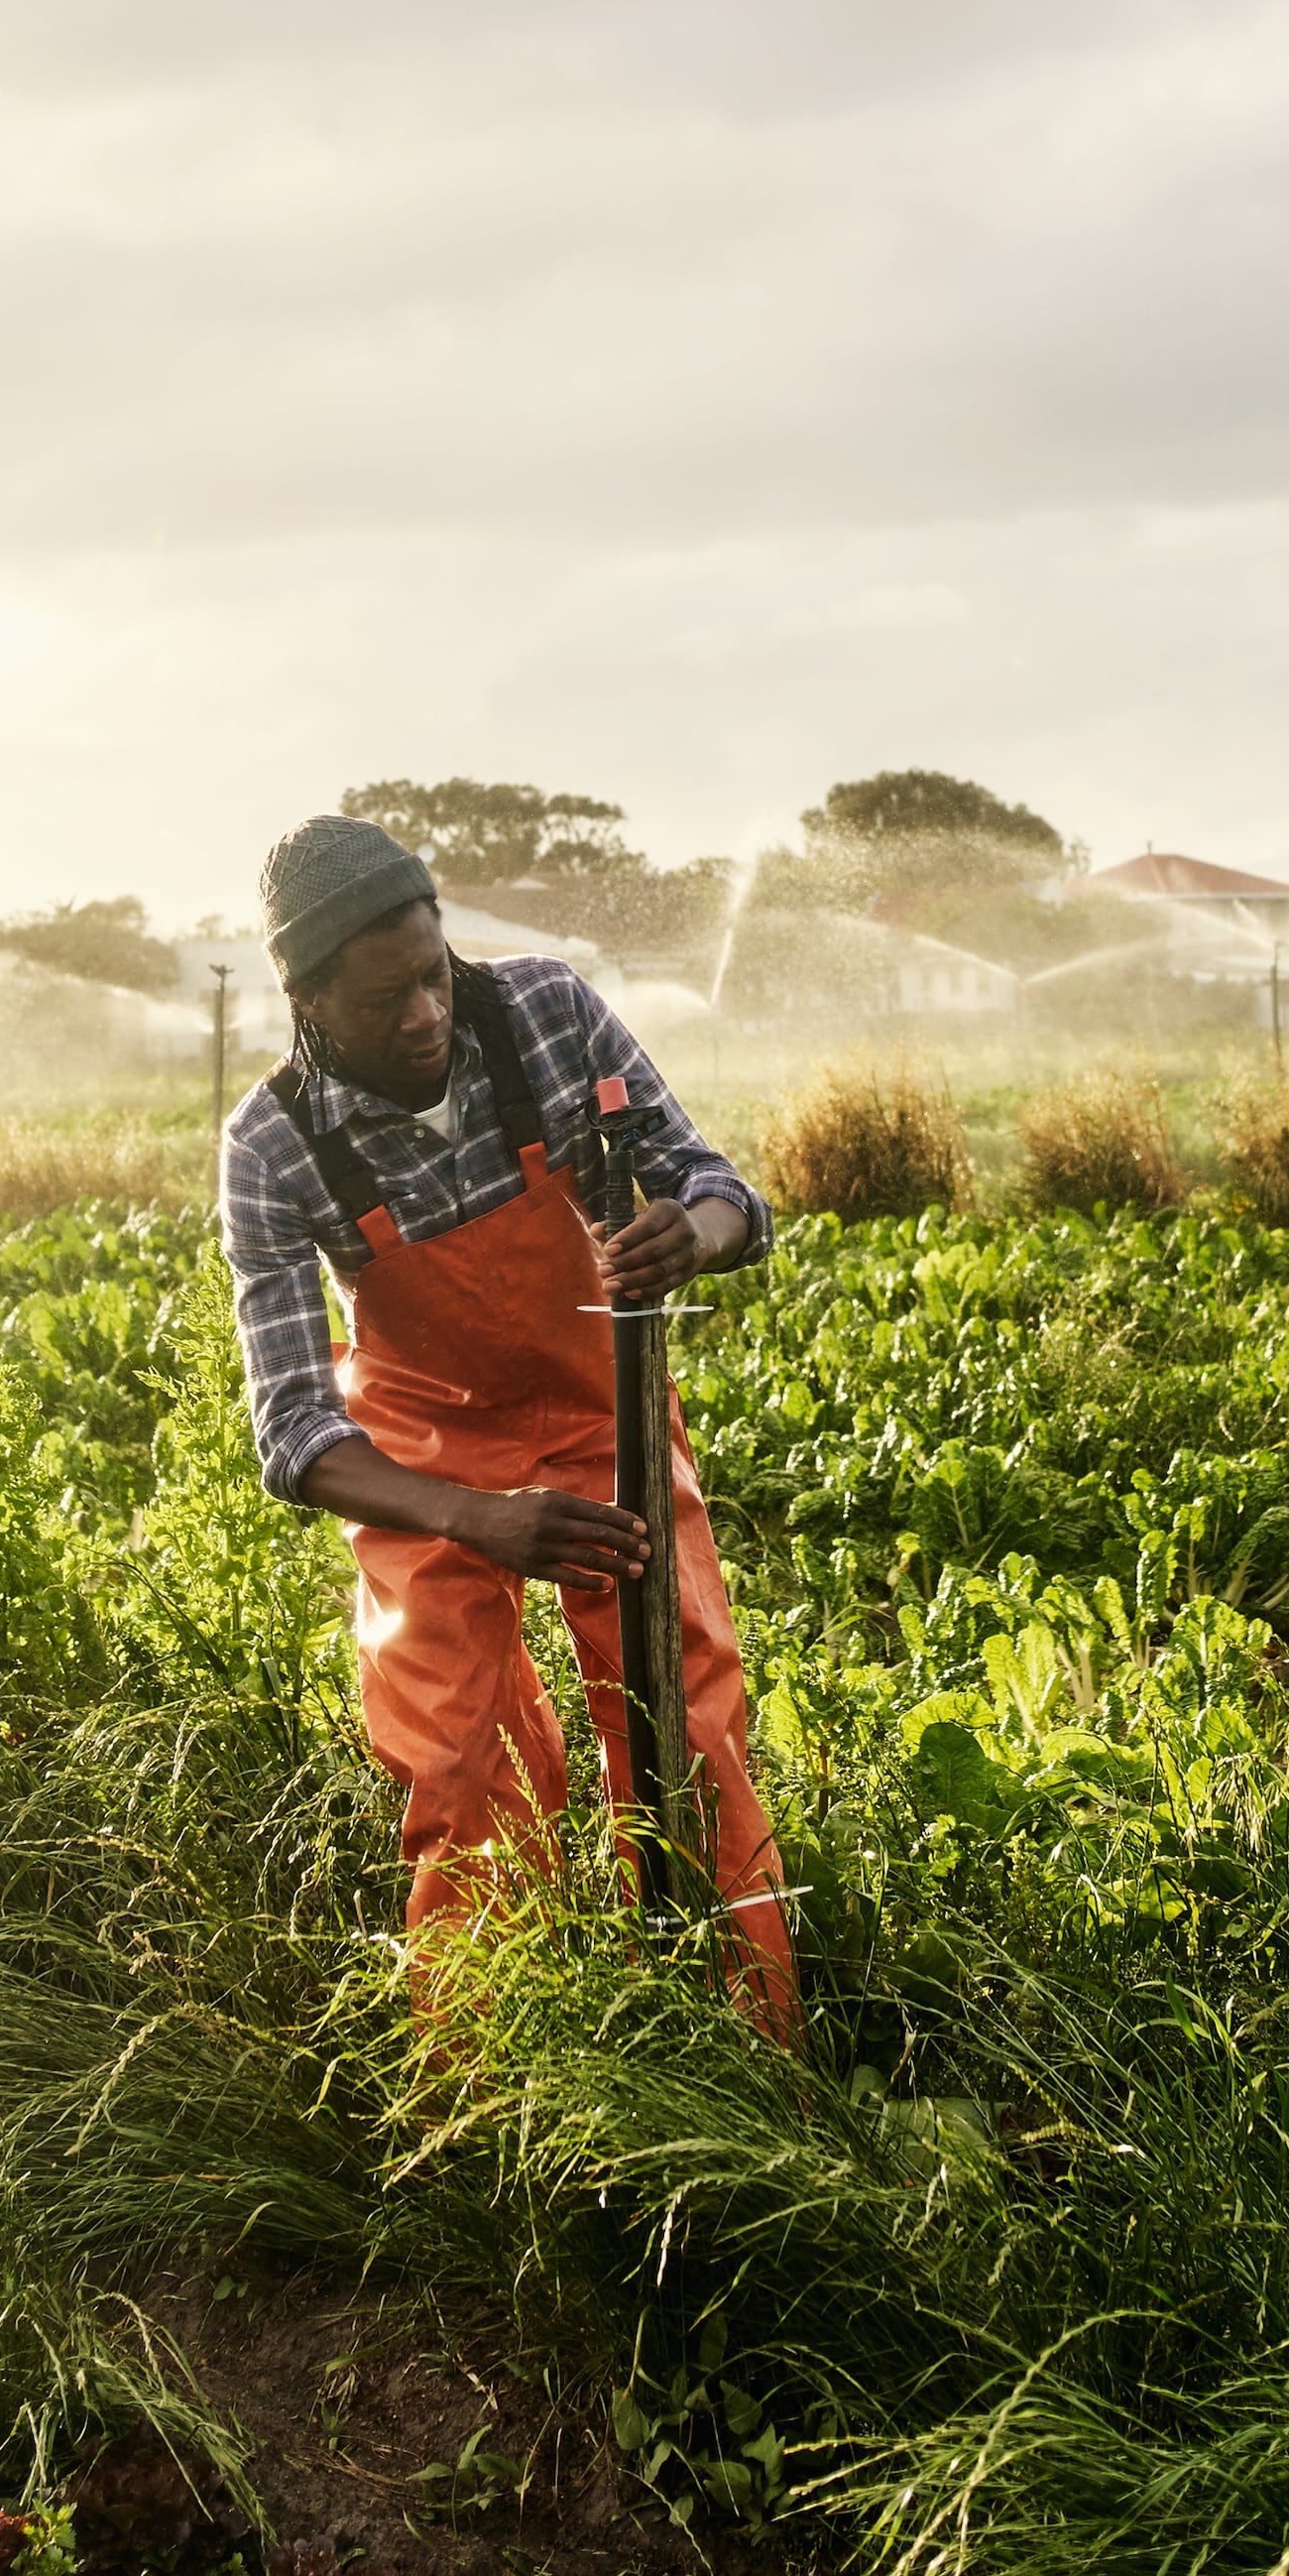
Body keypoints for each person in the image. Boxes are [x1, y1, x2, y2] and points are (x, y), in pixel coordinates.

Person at [218, 811, 798, 2031]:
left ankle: (745, 2050)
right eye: (385, 1000)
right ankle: (500, 2083)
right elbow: (289, 1432)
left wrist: (692, 1233)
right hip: (423, 1461)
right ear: (308, 1000)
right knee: (456, 1766)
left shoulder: (542, 1011)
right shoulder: (271, 1145)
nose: (424, 1016)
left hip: (600, 1417)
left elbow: (718, 1187)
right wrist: (476, 1517)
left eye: (433, 975)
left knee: (682, 1721)